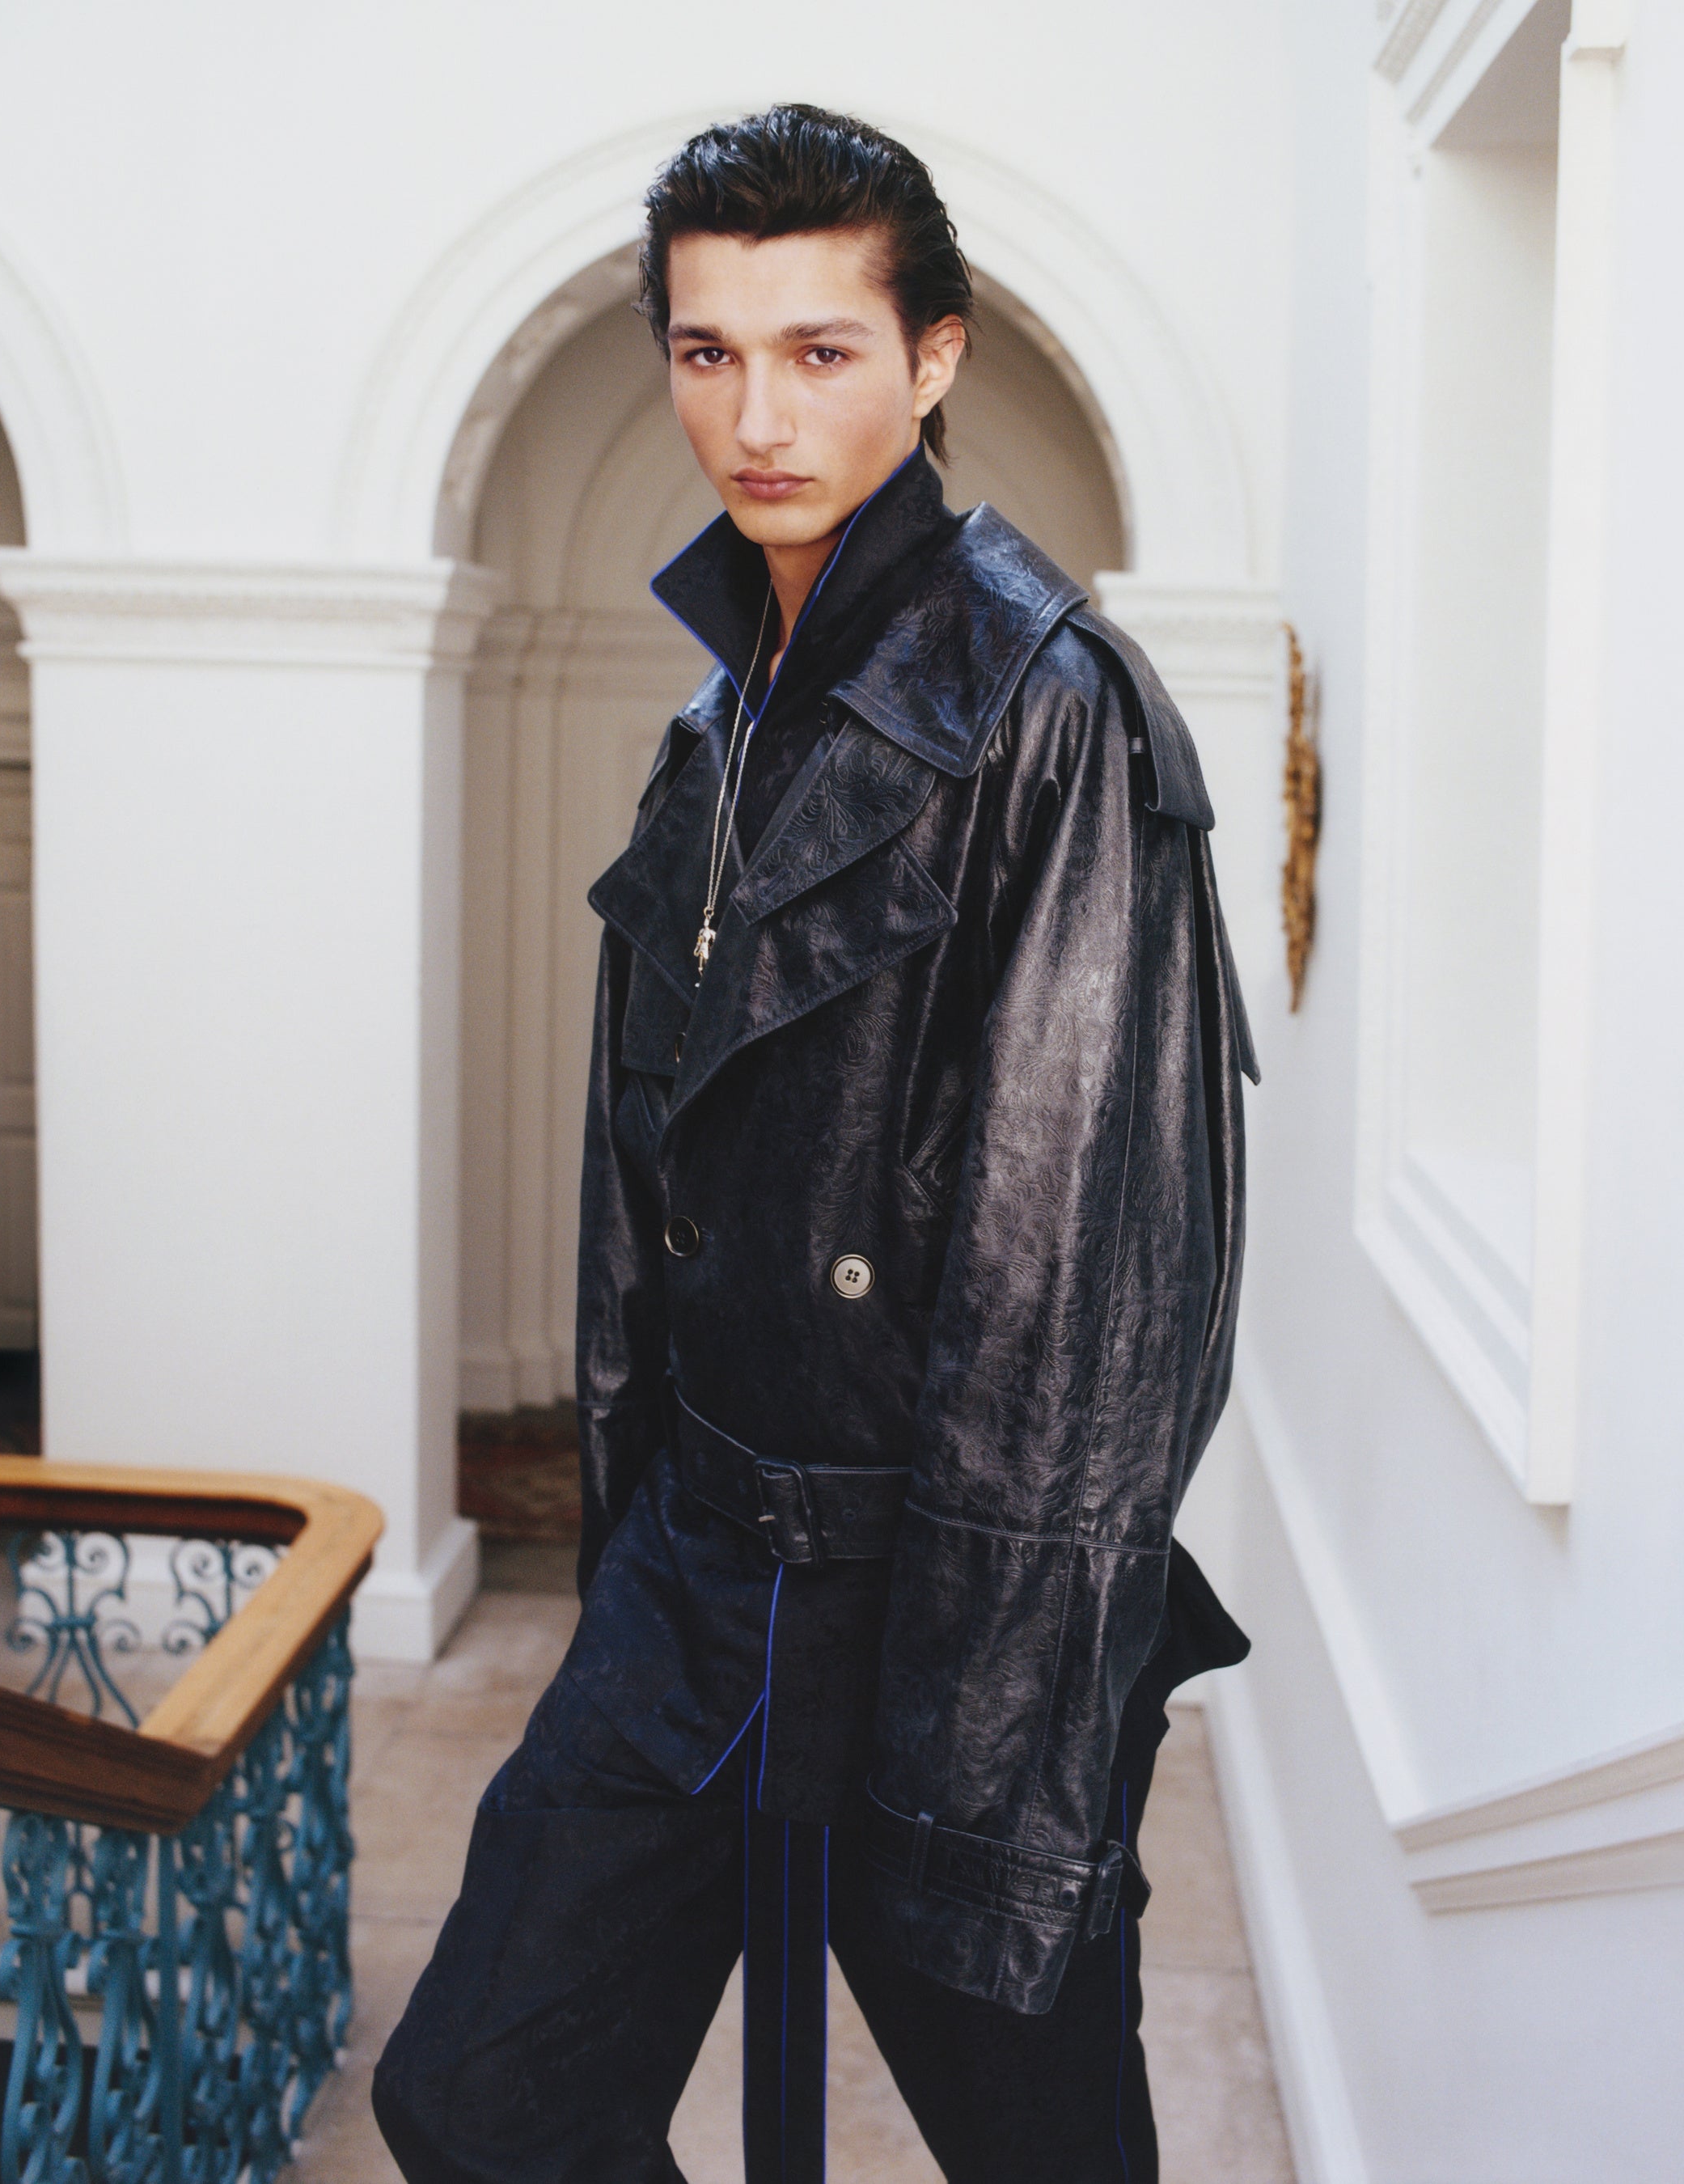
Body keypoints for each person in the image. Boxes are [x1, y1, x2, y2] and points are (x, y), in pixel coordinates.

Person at [374, 103, 1256, 2184]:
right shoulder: (719, 720)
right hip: (704, 1570)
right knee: (482, 2093)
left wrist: (990, 1744)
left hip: (939, 1594)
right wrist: (633, 1560)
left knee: (1050, 2159)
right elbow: (649, 1199)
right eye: (708, 352)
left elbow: (1086, 1306)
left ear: (934, 358)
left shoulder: (1057, 711)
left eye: (820, 351)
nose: (756, 416)